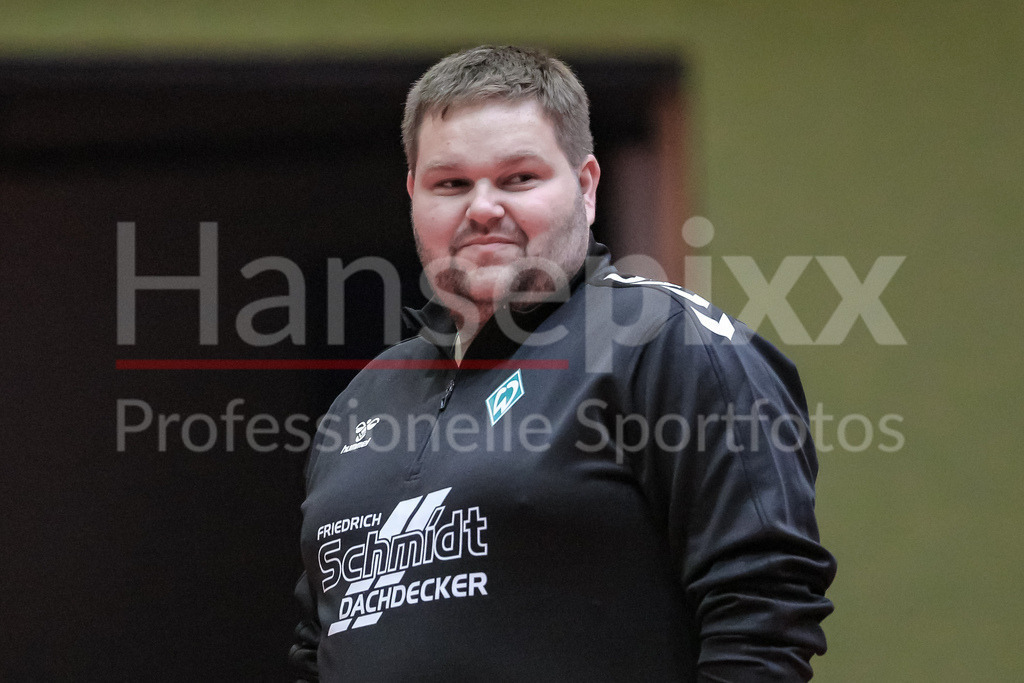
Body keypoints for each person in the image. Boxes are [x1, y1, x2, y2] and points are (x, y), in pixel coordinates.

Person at [291, 45, 835, 681]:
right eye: (451, 184)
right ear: (413, 193)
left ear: (585, 186)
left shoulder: (666, 344)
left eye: (519, 178)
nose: (483, 208)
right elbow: (316, 646)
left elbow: (763, 617)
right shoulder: (362, 400)